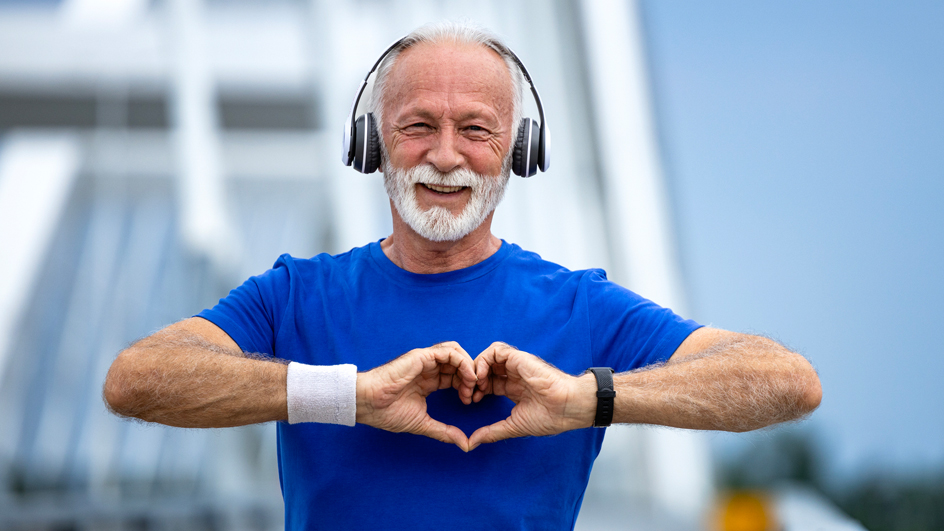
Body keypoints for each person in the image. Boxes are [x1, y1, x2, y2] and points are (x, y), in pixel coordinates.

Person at [103, 21, 822, 529]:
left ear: (518, 149)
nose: (446, 156)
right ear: (371, 140)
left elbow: (786, 381)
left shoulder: (580, 308)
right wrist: (349, 394)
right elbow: (138, 378)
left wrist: (585, 397)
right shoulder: (296, 295)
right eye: (419, 125)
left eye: (476, 129)